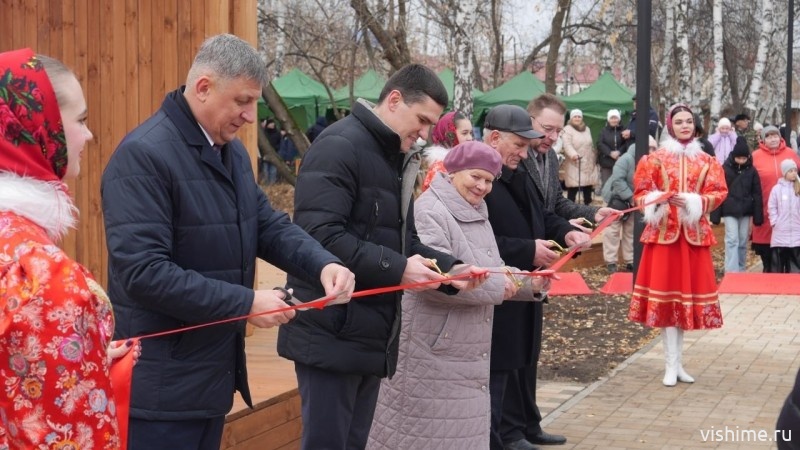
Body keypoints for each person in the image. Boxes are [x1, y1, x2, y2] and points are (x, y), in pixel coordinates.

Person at [101, 34, 355, 450]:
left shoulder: (231, 153)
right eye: (242, 101)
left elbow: (267, 225)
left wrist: (322, 263)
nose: (250, 116)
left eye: (254, 103)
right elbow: (143, 273)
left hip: (209, 381)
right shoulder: (143, 156)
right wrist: (247, 303)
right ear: (203, 87)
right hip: (159, 392)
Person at [277, 64, 487, 450]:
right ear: (393, 100)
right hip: (329, 331)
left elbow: (402, 240)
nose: (425, 133)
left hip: (368, 332)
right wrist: (399, 268)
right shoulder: (338, 146)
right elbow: (318, 237)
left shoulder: (392, 155)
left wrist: (447, 269)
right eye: (422, 120)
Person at [369, 141, 551, 449]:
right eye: (476, 177)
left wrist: (529, 284)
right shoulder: (430, 211)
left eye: (490, 180)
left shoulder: (476, 211)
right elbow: (437, 281)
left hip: (463, 350)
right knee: (426, 436)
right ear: (453, 172)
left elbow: (490, 268)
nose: (482, 186)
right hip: (432, 351)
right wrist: (500, 285)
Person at [0, 49, 137, 448]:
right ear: (38, 129)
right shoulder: (39, 272)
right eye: (80, 120)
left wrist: (85, 356)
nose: (89, 135)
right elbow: (71, 434)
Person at [479, 105, 590, 450]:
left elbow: (542, 213)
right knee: (499, 371)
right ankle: (500, 437)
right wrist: (528, 250)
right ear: (494, 138)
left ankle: (516, 429)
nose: (524, 154)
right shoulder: (477, 179)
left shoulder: (515, 171)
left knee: (522, 359)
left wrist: (565, 232)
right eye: (519, 145)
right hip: (497, 290)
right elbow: (478, 243)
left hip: (527, 287)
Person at [629, 103, 728, 387]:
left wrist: (696, 202)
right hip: (663, 238)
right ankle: (670, 365)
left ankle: (678, 364)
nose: (685, 125)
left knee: (684, 302)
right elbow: (640, 192)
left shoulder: (707, 161)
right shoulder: (653, 159)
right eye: (679, 121)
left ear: (695, 126)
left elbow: (719, 191)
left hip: (693, 237)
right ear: (670, 125)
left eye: (689, 121)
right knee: (667, 302)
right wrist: (656, 200)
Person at [601, 135, 658, 273]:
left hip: (634, 201)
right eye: (648, 147)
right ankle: (611, 261)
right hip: (615, 199)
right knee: (612, 230)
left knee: (630, 230)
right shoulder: (626, 159)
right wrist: (631, 197)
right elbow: (617, 180)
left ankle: (630, 260)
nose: (650, 150)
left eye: (653, 148)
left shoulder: (653, 162)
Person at [710, 137, 763, 273]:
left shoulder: (752, 171)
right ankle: (732, 271)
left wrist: (758, 216)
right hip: (729, 209)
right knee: (732, 239)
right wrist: (715, 215)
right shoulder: (725, 169)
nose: (741, 161)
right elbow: (718, 190)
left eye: (744, 158)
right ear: (733, 156)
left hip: (745, 210)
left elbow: (757, 193)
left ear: (748, 158)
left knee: (742, 240)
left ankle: (741, 268)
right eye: (738, 158)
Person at [751, 125, 800, 272]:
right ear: (763, 139)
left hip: (791, 210)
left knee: (793, 250)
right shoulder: (755, 156)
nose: (773, 139)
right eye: (769, 136)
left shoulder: (791, 153)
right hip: (765, 205)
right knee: (768, 248)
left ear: (780, 137)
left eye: (775, 136)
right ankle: (770, 273)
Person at [421, 110, 474, 191]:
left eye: (471, 133)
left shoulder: (462, 161)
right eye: (464, 133)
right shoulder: (441, 168)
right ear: (450, 134)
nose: (470, 138)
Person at [767, 159, 800, 273]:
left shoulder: (798, 188)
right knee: (779, 264)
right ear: (784, 172)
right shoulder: (777, 189)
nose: (793, 173)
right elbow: (772, 207)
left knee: (795, 263)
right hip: (780, 232)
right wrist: (775, 222)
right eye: (790, 171)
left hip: (796, 232)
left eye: (795, 170)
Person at [561, 109, 598, 206]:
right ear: (571, 118)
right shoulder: (567, 129)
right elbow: (567, 144)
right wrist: (573, 154)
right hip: (575, 162)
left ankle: (588, 209)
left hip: (588, 162)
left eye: (579, 116)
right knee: (573, 187)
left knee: (587, 186)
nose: (577, 118)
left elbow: (590, 145)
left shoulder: (587, 129)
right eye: (575, 116)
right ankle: (569, 208)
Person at [597, 108, 627, 189]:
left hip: (621, 161)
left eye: (615, 118)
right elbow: (600, 144)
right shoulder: (603, 131)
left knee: (619, 185)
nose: (614, 120)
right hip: (607, 163)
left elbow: (626, 143)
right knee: (607, 186)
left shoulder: (624, 130)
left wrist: (619, 152)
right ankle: (607, 201)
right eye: (612, 118)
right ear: (608, 119)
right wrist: (610, 153)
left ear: (619, 119)